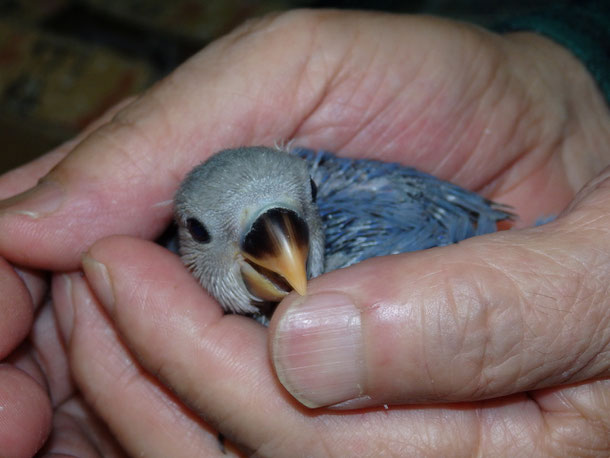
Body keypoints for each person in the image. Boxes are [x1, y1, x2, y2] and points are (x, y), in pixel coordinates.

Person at [1, 7, 609, 456]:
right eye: (203, 230)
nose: (283, 242)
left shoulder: (379, 226)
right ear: (180, 236)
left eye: (299, 206)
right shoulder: (160, 270)